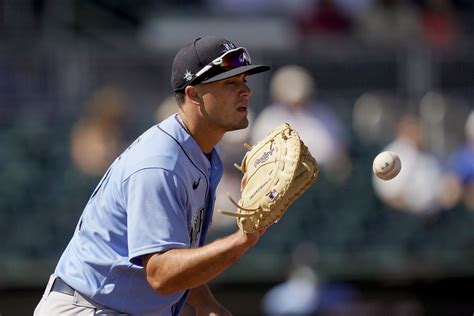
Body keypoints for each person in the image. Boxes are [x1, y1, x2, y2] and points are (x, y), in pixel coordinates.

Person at [34, 36, 270, 316]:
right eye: (230, 83)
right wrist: (241, 240)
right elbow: (161, 274)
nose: (245, 91)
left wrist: (205, 303)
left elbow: (177, 250)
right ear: (193, 95)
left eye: (244, 81)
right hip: (88, 308)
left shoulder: (198, 153)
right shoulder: (161, 164)